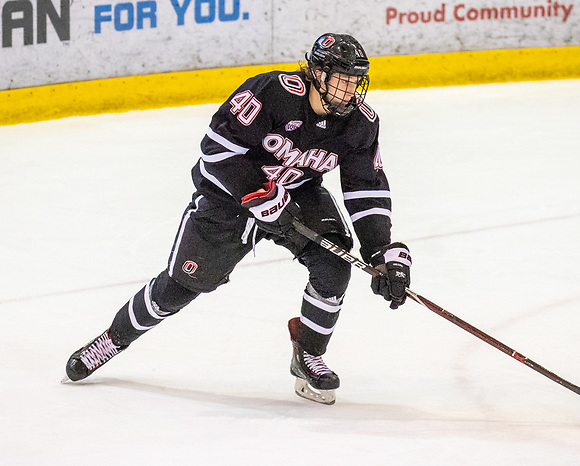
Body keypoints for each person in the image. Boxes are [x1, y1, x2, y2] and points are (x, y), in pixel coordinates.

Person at [64, 33, 412, 405]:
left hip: (296, 193)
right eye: (340, 78)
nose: (349, 89)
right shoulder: (273, 94)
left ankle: (309, 353)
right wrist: (259, 193)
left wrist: (381, 251)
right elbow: (217, 150)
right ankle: (113, 339)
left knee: (334, 263)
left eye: (354, 80)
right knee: (182, 284)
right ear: (315, 72)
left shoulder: (360, 123)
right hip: (228, 196)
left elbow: (365, 187)